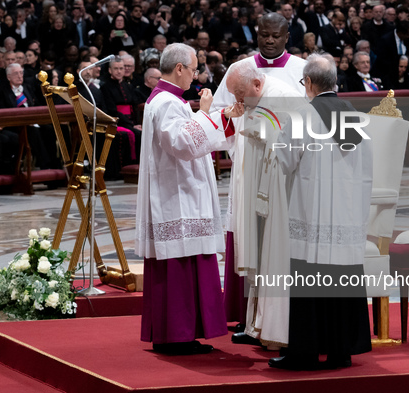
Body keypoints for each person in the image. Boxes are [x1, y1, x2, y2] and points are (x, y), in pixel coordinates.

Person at [135, 43, 243, 355]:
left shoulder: (168, 100)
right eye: (193, 69)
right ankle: (177, 337)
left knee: (184, 265)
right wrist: (207, 112)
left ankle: (177, 334)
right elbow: (183, 143)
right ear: (179, 68)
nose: (195, 75)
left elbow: (190, 131)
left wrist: (222, 116)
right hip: (177, 198)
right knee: (180, 267)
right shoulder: (167, 102)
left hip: (180, 194)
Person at [269, 53, 372, 371]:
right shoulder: (354, 117)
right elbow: (365, 169)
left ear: (310, 83)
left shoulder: (302, 116)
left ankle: (306, 353)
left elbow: (283, 163)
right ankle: (341, 351)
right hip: (345, 219)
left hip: (312, 216)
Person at [211, 12, 306, 337]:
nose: (268, 40)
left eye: (275, 35)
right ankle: (250, 318)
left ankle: (270, 323)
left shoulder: (299, 70)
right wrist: (242, 143)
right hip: (247, 163)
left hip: (278, 171)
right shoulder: (239, 69)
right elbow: (222, 112)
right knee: (250, 238)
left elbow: (301, 120)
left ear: (286, 35)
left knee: (271, 245)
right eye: (263, 34)